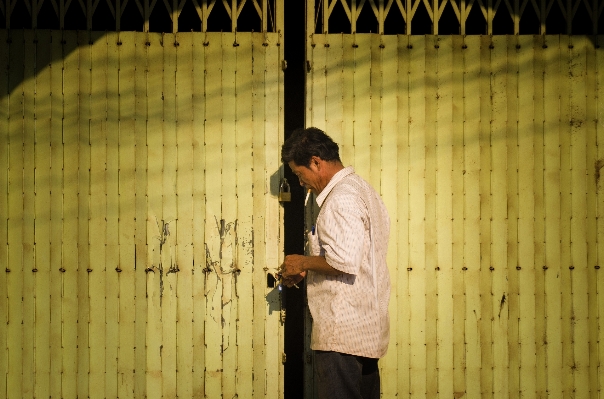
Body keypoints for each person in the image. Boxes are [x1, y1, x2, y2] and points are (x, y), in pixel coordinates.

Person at [279, 127, 391, 399]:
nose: (300, 181)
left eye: (298, 173)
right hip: (364, 333)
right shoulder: (363, 190)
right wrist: (310, 268)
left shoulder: (342, 198)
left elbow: (343, 260)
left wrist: (301, 261)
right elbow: (354, 257)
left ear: (316, 162)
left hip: (342, 334)